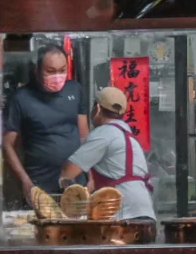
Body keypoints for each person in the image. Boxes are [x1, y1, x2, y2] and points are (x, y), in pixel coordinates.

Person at [3, 44, 88, 199]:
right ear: (37, 71)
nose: (57, 76)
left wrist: (92, 176)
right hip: (39, 186)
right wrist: (24, 181)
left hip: (75, 184)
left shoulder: (75, 90)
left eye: (62, 70)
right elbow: (7, 145)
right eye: (50, 71)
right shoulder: (20, 98)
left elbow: (85, 137)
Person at [59, 87, 155, 221]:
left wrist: (71, 197)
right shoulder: (127, 134)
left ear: (97, 108)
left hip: (123, 215)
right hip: (145, 213)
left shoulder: (104, 133)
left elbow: (68, 171)